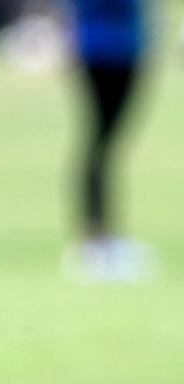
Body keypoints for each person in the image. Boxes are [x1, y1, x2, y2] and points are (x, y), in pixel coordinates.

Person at [63, 0, 154, 282]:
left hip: (122, 48)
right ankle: (97, 243)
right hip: (104, 51)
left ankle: (102, 239)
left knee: (105, 147)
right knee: (100, 146)